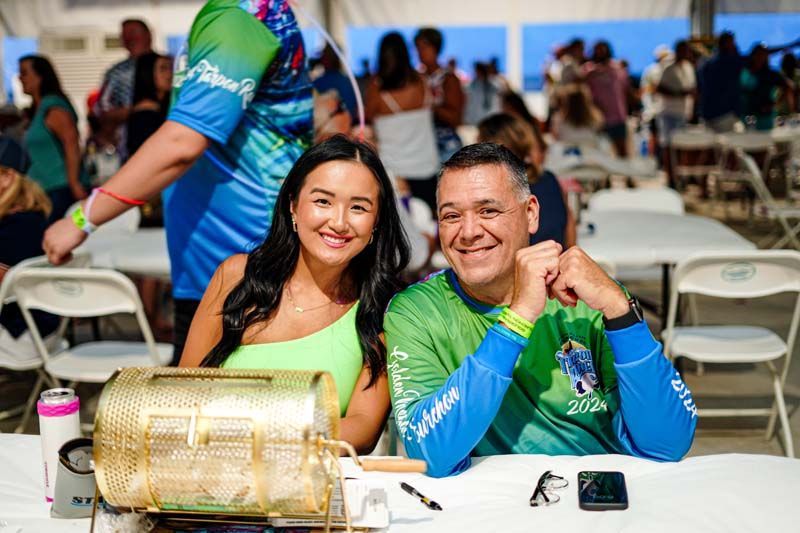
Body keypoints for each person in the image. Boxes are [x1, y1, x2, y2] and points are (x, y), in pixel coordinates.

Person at [384, 143, 697, 478]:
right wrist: (516, 320)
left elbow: (668, 444)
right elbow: (428, 454)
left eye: (488, 211)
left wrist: (621, 313)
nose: (469, 231)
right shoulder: (414, 311)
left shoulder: (587, 300)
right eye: (451, 216)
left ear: (531, 213)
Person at [43, 0, 314, 364]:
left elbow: (181, 144)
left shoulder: (239, 18)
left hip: (242, 269)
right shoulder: (238, 14)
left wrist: (82, 218)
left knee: (209, 411)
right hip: (218, 264)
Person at [179, 135, 410, 454]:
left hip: (313, 489)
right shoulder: (237, 277)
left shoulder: (383, 309)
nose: (339, 222)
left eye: (358, 207)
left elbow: (363, 426)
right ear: (293, 206)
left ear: (376, 223)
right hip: (214, 474)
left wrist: (267, 442)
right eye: (323, 202)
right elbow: (182, 391)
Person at [365, 31, 439, 214]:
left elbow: (365, 117)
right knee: (429, 226)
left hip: (393, 171)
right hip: (427, 166)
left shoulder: (377, 87)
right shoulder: (422, 81)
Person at [477, 113, 576, 248]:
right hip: (557, 263)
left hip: (526, 267)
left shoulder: (498, 191)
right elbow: (570, 233)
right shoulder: (549, 179)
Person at [0, 163, 59, 359]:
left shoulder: (13, 229)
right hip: (49, 331)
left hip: (24, 337)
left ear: (8, 176)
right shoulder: (36, 218)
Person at [18, 55, 87, 223]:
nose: (20, 78)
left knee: (68, 231)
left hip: (62, 191)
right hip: (44, 191)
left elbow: (71, 144)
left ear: (40, 76)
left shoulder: (54, 108)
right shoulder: (37, 111)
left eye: (25, 73)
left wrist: (74, 184)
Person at [94, 19, 154, 161]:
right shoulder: (116, 73)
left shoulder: (167, 65)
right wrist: (135, 110)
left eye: (133, 33)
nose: (129, 39)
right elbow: (102, 109)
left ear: (149, 35)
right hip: (131, 147)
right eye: (124, 35)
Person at [414, 27, 465, 162]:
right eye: (418, 48)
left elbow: (455, 117)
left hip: (445, 143)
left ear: (435, 48)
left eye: (424, 47)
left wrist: (429, 106)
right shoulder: (418, 77)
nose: (420, 52)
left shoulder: (449, 79)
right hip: (424, 143)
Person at [656, 40, 697, 187]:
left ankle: (680, 175)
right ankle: (671, 178)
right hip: (668, 113)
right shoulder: (668, 69)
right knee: (669, 147)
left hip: (683, 113)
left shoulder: (688, 68)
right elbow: (660, 88)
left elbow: (692, 89)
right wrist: (679, 93)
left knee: (682, 147)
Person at [583, 41, 630, 157]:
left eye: (603, 50)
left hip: (618, 115)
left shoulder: (617, 68)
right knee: (601, 151)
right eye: (598, 50)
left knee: (622, 150)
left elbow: (626, 89)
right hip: (599, 118)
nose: (600, 53)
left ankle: (626, 173)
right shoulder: (588, 71)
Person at [126, 52, 173, 156]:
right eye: (163, 69)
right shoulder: (144, 113)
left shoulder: (168, 105)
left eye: (171, 68)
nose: (169, 74)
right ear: (148, 73)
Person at [741, 44, 792, 131]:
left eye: (763, 54)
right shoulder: (745, 71)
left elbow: (788, 86)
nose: (760, 57)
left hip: (765, 117)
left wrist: (775, 104)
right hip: (746, 114)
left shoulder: (770, 74)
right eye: (757, 54)